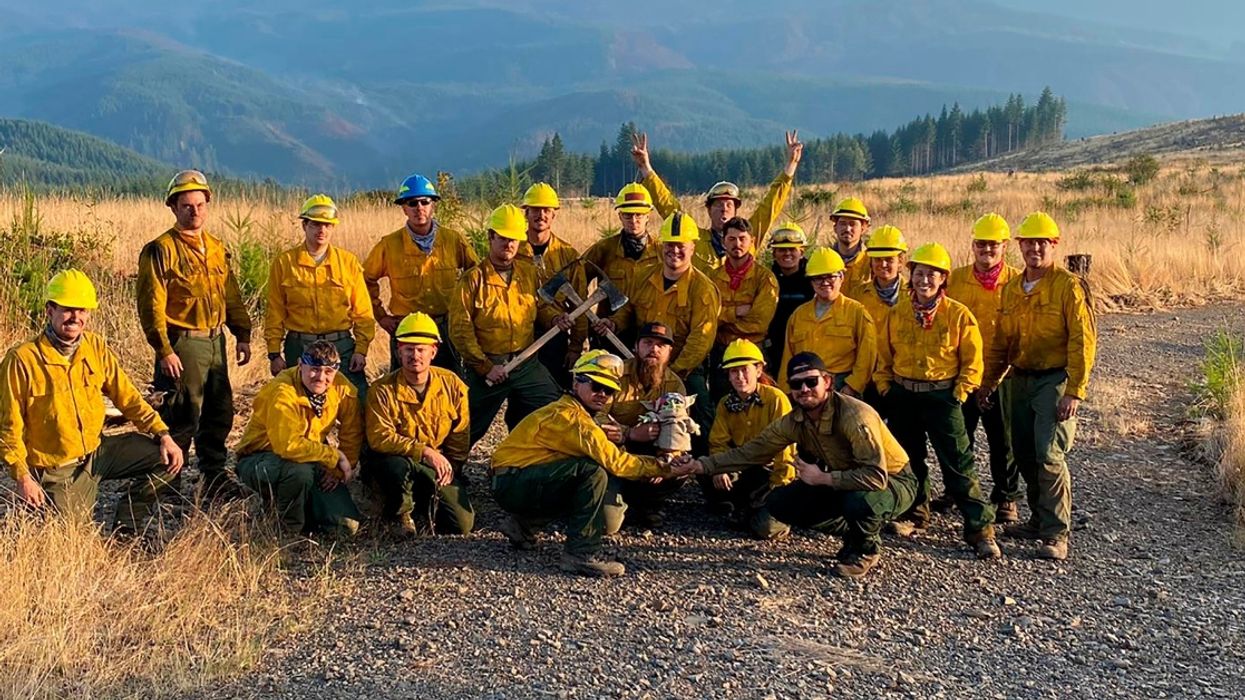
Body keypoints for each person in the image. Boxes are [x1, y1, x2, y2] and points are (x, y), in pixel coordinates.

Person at [672, 352, 916, 579]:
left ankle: (866, 550)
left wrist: (824, 479)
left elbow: (875, 476)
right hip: (842, 480)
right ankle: (858, 530)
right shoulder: (794, 420)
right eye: (796, 384)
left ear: (828, 382)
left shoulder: (855, 415)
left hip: (893, 480)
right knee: (781, 504)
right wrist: (700, 465)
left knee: (860, 502)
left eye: (811, 382)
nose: (804, 389)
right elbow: (753, 451)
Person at [0, 270, 184, 533]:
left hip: (98, 453)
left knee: (168, 459)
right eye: (68, 310)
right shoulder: (22, 360)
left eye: (82, 311)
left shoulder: (95, 347)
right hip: (57, 469)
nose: (76, 317)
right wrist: (23, 478)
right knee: (72, 540)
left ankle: (127, 526)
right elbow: (8, 429)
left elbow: (128, 397)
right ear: (50, 310)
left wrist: (162, 433)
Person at [491, 351, 673, 577]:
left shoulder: (576, 413)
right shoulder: (573, 420)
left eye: (609, 391)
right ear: (576, 382)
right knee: (592, 473)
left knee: (581, 470)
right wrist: (665, 466)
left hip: (512, 478)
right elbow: (617, 464)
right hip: (512, 481)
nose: (602, 395)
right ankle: (580, 555)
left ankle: (523, 526)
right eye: (596, 386)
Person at [980, 212, 1097, 561]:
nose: (1034, 249)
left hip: (1055, 379)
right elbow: (1002, 342)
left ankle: (1056, 533)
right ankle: (1036, 519)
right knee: (1024, 452)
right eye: (1028, 242)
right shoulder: (1012, 289)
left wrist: (1075, 390)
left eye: (1041, 243)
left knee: (1049, 454)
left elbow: (1082, 340)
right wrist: (988, 382)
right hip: (1020, 378)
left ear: (1054, 245)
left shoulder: (1068, 286)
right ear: (1019, 247)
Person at [874, 243, 1000, 560]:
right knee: (909, 460)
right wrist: (886, 387)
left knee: (958, 465)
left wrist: (959, 392)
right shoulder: (897, 313)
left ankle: (980, 529)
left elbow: (973, 361)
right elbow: (884, 357)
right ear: (911, 276)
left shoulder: (959, 315)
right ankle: (915, 515)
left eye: (932, 274)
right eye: (919, 273)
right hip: (904, 395)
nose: (924, 280)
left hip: (943, 397)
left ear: (943, 278)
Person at [136, 169, 251, 499]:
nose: (194, 211)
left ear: (208, 204)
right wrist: (163, 349)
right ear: (173, 207)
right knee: (181, 415)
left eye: (200, 204)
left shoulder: (216, 248)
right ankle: (166, 485)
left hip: (216, 341)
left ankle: (213, 479)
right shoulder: (160, 249)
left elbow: (230, 294)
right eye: (186, 205)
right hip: (182, 343)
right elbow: (151, 304)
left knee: (219, 412)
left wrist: (242, 333)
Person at [599, 212, 722, 447]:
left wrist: (673, 374)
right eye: (669, 244)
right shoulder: (643, 276)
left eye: (680, 246)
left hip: (682, 367)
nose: (674, 251)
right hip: (641, 360)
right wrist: (613, 322)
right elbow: (628, 309)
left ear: (693, 248)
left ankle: (705, 466)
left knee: (701, 411)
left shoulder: (703, 289)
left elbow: (700, 340)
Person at [448, 204, 562, 447]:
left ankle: (532, 460)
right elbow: (460, 331)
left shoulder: (528, 273)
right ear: (491, 237)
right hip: (490, 367)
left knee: (554, 406)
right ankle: (450, 469)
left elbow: (540, 305)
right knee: (468, 425)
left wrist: (554, 318)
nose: (509, 245)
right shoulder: (472, 280)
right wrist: (485, 367)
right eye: (503, 238)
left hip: (526, 362)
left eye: (515, 240)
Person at [236, 340, 363, 538]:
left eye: (328, 372)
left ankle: (302, 509)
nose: (321, 377)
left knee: (345, 527)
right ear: (300, 364)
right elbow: (288, 446)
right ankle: (286, 529)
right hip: (263, 458)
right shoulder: (282, 391)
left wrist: (336, 470)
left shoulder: (341, 387)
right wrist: (333, 455)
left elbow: (352, 431)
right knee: (299, 473)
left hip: (312, 456)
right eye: (314, 369)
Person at [364, 313, 474, 537]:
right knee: (395, 467)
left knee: (461, 525)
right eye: (408, 349)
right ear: (398, 351)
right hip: (398, 462)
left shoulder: (452, 384)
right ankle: (400, 514)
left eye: (421, 349)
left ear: (433, 351)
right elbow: (379, 437)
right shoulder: (382, 389)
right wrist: (423, 451)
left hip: (432, 464)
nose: (415, 355)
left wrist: (452, 466)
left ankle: (423, 500)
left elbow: (460, 434)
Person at [943, 213, 1022, 523]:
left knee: (1002, 439)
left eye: (993, 245)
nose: (986, 250)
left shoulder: (1017, 281)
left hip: (1002, 373)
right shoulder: (955, 279)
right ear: (972, 245)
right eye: (981, 244)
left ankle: (1006, 498)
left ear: (1004, 246)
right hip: (962, 372)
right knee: (959, 438)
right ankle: (957, 491)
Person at [631, 130, 803, 270]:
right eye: (718, 204)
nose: (724, 209)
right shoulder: (695, 238)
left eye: (729, 205)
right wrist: (645, 168)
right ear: (708, 209)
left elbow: (770, 205)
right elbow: (668, 206)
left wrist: (791, 166)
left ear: (736, 210)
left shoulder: (748, 238)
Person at [364, 173, 479, 372]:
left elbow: (476, 275)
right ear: (403, 208)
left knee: (450, 385)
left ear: (433, 204)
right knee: (403, 389)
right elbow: (365, 279)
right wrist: (381, 316)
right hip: (407, 329)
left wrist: (466, 313)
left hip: (445, 329)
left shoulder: (453, 240)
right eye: (412, 203)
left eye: (424, 202)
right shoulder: (389, 246)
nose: (419, 208)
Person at [264, 194, 374, 397]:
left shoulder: (348, 262)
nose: (322, 230)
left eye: (327, 225)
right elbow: (275, 311)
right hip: (299, 346)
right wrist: (273, 353)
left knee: (357, 401)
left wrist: (361, 349)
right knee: (296, 404)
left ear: (333, 227)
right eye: (315, 224)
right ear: (304, 225)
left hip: (341, 345)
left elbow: (363, 311)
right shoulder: (284, 263)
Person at [598, 322, 688, 531]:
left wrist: (666, 459)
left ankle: (650, 504)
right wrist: (628, 433)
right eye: (648, 343)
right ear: (636, 347)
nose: (654, 349)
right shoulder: (615, 375)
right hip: (615, 453)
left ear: (669, 352)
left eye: (661, 346)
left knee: (681, 466)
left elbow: (680, 430)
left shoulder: (676, 385)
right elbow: (596, 416)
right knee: (607, 525)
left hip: (654, 451)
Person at [704, 339, 794, 539]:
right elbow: (717, 441)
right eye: (734, 371)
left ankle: (771, 511)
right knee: (706, 469)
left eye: (745, 370)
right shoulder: (725, 404)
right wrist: (719, 469)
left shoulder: (776, 399)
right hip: (744, 467)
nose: (740, 377)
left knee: (766, 528)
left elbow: (786, 451)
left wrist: (779, 489)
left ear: (759, 370)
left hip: (772, 471)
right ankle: (741, 506)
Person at [777, 248, 875, 397]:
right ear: (811, 281)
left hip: (841, 386)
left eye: (830, 277)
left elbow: (867, 356)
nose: (824, 283)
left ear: (841, 277)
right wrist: (787, 392)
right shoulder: (799, 315)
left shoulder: (857, 312)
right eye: (818, 278)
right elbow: (788, 356)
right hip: (806, 387)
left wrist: (853, 387)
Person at [517, 182, 587, 388]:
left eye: (546, 210)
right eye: (535, 209)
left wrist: (575, 347)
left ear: (554, 214)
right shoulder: (512, 252)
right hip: (520, 335)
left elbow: (580, 305)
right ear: (526, 213)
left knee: (557, 391)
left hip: (555, 337)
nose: (541, 215)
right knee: (521, 400)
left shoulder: (567, 255)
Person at [707, 217, 778, 406]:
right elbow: (708, 317)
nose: (737, 244)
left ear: (752, 241)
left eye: (742, 238)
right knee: (722, 403)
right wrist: (737, 311)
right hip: (721, 352)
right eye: (731, 239)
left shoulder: (764, 279)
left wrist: (723, 320)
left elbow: (759, 322)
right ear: (723, 241)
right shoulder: (712, 279)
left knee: (759, 404)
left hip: (755, 351)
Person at [579, 183, 661, 322]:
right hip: (608, 331)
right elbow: (578, 278)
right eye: (628, 215)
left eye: (639, 215)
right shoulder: (604, 249)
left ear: (648, 216)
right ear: (620, 216)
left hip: (647, 334)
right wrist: (586, 318)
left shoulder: (661, 252)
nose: (634, 221)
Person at [764, 222, 813, 376]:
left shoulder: (813, 280)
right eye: (781, 250)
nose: (787, 254)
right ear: (773, 253)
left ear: (802, 252)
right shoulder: (766, 281)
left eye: (792, 249)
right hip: (774, 351)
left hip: (808, 350)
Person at [849, 225, 909, 322]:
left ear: (900, 261)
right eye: (878, 259)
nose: (883, 264)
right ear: (871, 261)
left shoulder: (913, 296)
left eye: (889, 259)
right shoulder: (857, 295)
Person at [828, 197, 873, 294]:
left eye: (853, 224)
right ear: (835, 227)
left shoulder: (871, 262)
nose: (847, 228)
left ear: (863, 228)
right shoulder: (825, 260)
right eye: (843, 223)